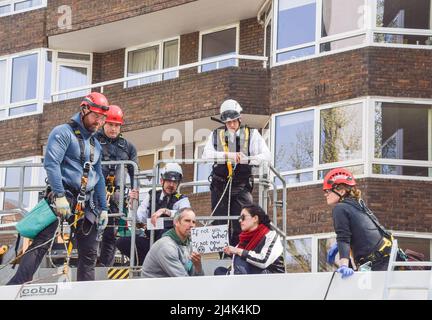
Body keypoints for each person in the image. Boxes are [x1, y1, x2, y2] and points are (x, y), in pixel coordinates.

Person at [7, 92, 109, 285]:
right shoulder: (62, 132)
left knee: (89, 252)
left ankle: (85, 295)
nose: (99, 122)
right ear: (84, 109)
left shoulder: (95, 143)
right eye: (96, 116)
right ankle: (15, 286)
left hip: (87, 201)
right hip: (64, 195)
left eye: (103, 118)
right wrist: (60, 195)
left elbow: (99, 176)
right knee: (42, 242)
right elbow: (52, 163)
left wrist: (103, 207)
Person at [202, 99, 271, 247]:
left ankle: (240, 252)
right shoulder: (216, 135)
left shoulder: (251, 134)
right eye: (228, 123)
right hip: (220, 186)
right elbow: (206, 155)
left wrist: (247, 159)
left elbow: (266, 156)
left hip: (241, 186)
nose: (232, 125)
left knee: (242, 221)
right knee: (220, 224)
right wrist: (228, 156)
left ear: (239, 118)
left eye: (234, 121)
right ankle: (223, 254)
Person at [116, 163, 190, 265]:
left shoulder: (182, 199)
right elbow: (139, 219)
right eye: (168, 181)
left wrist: (166, 211)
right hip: (151, 240)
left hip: (171, 245)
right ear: (161, 181)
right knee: (122, 242)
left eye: (175, 182)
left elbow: (187, 215)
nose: (171, 185)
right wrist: (133, 205)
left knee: (164, 236)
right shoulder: (152, 195)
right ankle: (144, 264)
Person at [323, 168, 392, 278]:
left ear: (341, 191)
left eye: (328, 191)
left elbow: (343, 238)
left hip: (378, 265)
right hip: (384, 260)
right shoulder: (358, 205)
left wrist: (344, 265)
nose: (325, 194)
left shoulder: (340, 208)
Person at [94, 104, 138, 267]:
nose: (113, 128)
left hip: (116, 197)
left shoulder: (128, 147)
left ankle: (106, 265)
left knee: (111, 234)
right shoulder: (92, 140)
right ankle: (90, 263)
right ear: (104, 122)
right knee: (91, 231)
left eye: (117, 125)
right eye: (111, 124)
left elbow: (135, 173)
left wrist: (135, 193)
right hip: (94, 195)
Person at [214, 204, 285, 275]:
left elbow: (264, 261)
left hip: (272, 279)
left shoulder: (270, 235)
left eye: (243, 217)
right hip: (250, 278)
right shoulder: (241, 242)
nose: (240, 220)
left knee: (240, 259)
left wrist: (238, 251)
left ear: (255, 218)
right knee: (219, 271)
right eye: (239, 218)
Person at [141, 207, 204, 278]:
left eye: (194, 222)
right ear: (176, 222)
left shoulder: (189, 244)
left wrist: (198, 266)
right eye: (187, 221)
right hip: (155, 288)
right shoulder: (166, 246)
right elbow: (184, 280)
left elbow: (197, 279)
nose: (192, 225)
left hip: (172, 286)